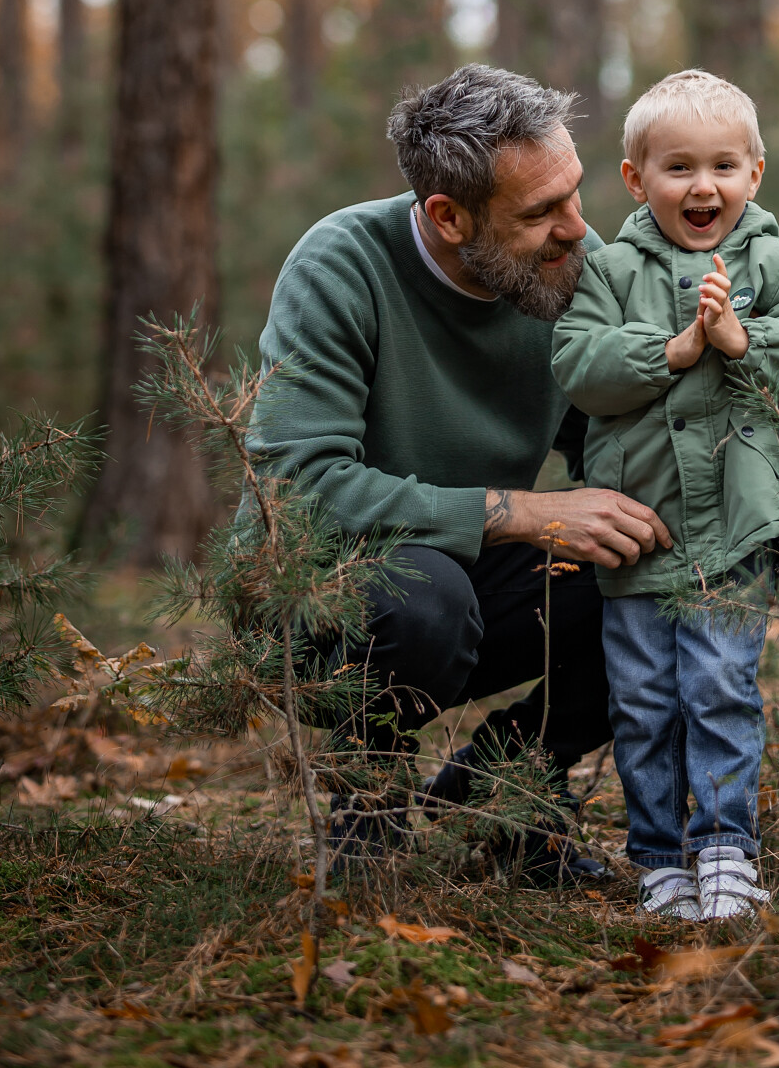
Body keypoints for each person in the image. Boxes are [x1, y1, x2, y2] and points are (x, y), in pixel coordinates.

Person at [239, 63, 673, 879]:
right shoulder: (342, 266)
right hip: (320, 582)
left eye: (575, 193)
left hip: (477, 570)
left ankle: (504, 800)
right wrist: (515, 512)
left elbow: (613, 447)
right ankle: (368, 816)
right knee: (422, 597)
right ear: (447, 216)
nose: (578, 228)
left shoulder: (575, 270)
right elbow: (296, 486)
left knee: (654, 564)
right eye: (541, 211)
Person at [552, 70, 779, 921]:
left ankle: (724, 849)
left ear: (755, 173)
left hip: (733, 533)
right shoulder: (606, 272)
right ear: (635, 180)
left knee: (719, 688)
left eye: (723, 166)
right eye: (677, 168)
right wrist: (673, 351)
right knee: (642, 701)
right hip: (639, 532)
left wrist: (739, 339)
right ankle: (656, 858)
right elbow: (577, 367)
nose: (702, 186)